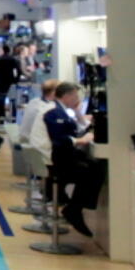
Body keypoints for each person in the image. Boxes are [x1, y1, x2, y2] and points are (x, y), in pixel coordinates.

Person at [39, 82, 105, 237]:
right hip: (58, 162)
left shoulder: (61, 111)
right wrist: (79, 141)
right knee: (92, 172)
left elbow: (72, 130)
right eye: (75, 95)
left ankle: (75, 208)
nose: (78, 99)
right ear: (67, 95)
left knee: (94, 166)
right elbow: (59, 139)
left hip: (61, 157)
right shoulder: (55, 113)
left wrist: (78, 115)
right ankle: (74, 210)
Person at [21, 79, 58, 159]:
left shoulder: (34, 102)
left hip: (28, 141)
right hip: (39, 148)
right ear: (54, 92)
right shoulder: (48, 108)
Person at [0, 43, 21, 121]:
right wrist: (16, 80)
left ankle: (1, 117)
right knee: (13, 100)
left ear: (3, 50)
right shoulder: (13, 60)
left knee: (1, 100)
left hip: (0, 82)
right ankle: (13, 117)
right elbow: (18, 71)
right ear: (9, 51)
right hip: (11, 82)